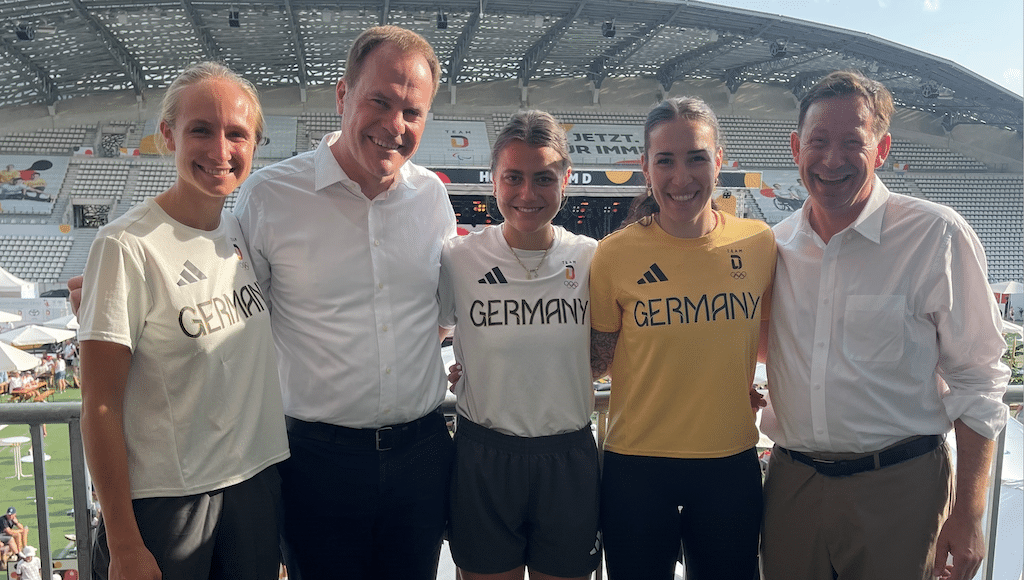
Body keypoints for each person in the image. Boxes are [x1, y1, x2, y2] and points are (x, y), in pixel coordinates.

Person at [759, 70, 1009, 580]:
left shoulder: (935, 234)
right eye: (818, 142)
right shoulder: (773, 247)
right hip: (791, 486)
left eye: (853, 142)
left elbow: (979, 379)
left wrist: (969, 514)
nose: (831, 159)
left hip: (901, 491)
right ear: (794, 148)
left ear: (882, 149)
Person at [233, 26, 456, 580]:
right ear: (342, 96)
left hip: (421, 453)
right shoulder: (269, 196)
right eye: (379, 101)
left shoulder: (432, 196)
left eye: (413, 111)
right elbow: (228, 309)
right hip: (315, 462)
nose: (395, 126)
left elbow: (439, 315)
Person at [76, 62, 289, 580]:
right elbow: (99, 404)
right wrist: (124, 543)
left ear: (254, 144)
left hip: (255, 484)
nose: (220, 151)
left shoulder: (238, 231)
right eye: (201, 129)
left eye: (237, 134)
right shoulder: (126, 245)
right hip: (169, 502)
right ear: (167, 135)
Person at [589, 96, 776, 579]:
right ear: (646, 169)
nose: (681, 177)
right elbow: (597, 362)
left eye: (696, 157)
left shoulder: (758, 243)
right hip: (637, 467)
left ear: (719, 159)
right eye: (665, 160)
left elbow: (772, 339)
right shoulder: (614, 256)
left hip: (728, 464)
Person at [439, 111, 600, 580]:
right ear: (494, 181)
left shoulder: (592, 258)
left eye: (543, 178)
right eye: (514, 177)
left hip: (567, 459)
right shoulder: (459, 258)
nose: (528, 194)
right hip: (483, 457)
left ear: (565, 181)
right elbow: (426, 332)